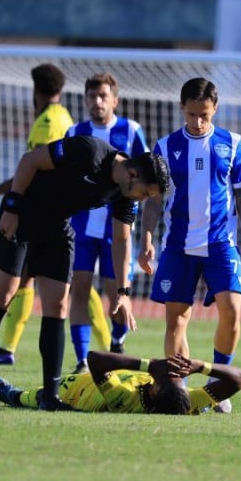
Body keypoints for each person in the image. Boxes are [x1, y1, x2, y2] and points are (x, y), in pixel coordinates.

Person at [0, 135, 169, 410]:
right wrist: (12, 206)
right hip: (23, 214)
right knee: (4, 295)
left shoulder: (124, 194)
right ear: (132, 174)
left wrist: (123, 291)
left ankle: (50, 396)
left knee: (59, 304)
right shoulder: (88, 150)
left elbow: (121, 240)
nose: (142, 200)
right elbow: (30, 161)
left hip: (57, 227)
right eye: (145, 193)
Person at [138, 77, 241, 414]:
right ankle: (178, 389)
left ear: (215, 109)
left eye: (204, 115)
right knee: (176, 322)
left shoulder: (232, 144)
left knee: (233, 312)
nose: (197, 122)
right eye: (192, 115)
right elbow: (153, 198)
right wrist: (146, 237)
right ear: (182, 108)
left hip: (221, 244)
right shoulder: (164, 147)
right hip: (178, 246)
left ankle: (217, 387)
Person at [0, 63, 108, 366]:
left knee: (73, 287)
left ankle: (109, 346)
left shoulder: (49, 123)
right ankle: (8, 348)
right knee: (30, 281)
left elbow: (36, 169)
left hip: (47, 215)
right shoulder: (61, 118)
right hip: (52, 213)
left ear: (35, 91)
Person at [66, 73, 151, 374]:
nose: (97, 101)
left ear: (115, 99)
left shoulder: (130, 131)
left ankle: (116, 345)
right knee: (79, 291)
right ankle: (81, 360)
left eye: (103, 96)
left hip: (117, 229)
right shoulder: (75, 132)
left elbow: (147, 176)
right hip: (81, 228)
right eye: (92, 96)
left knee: (117, 293)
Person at [0, 350, 241, 415]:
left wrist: (149, 366)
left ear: (156, 388)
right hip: (90, 383)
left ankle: (12, 395)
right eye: (181, 378)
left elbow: (95, 359)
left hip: (74, 391)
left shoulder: (123, 397)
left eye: (174, 377)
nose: (178, 374)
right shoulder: (186, 403)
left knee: (27, 398)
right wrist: (201, 366)